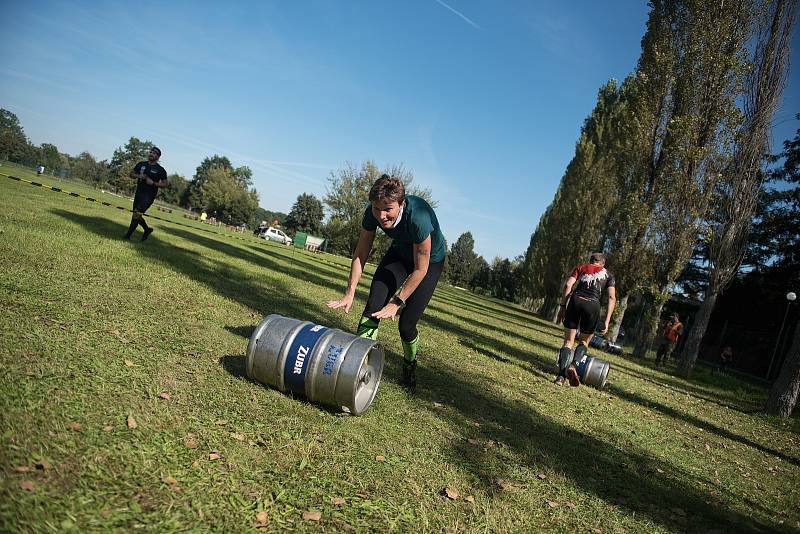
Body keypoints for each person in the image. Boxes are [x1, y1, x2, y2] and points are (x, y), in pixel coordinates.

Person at [326, 175, 445, 390]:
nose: (381, 215)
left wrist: (396, 302)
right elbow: (361, 253)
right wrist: (350, 291)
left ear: (401, 203)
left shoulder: (418, 217)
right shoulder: (372, 213)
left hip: (429, 263)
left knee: (406, 324)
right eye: (376, 208)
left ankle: (410, 366)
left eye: (387, 209)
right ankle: (358, 364)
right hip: (399, 254)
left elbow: (420, 269)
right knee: (373, 305)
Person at [554, 253, 617, 386]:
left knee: (568, 342)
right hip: (592, 305)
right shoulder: (609, 275)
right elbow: (612, 297)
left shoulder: (581, 268)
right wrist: (606, 320)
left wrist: (563, 306)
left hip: (576, 301)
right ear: (603, 263)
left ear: (590, 261)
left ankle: (560, 377)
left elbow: (568, 285)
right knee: (583, 341)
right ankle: (574, 365)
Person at [123, 147, 167, 241]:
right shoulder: (141, 164)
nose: (151, 154)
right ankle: (147, 230)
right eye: (151, 152)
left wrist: (154, 183)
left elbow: (165, 184)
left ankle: (127, 236)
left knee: (136, 213)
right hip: (138, 193)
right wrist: (139, 176)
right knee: (136, 214)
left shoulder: (160, 170)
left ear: (158, 157)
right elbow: (131, 174)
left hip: (149, 196)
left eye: (154, 153)